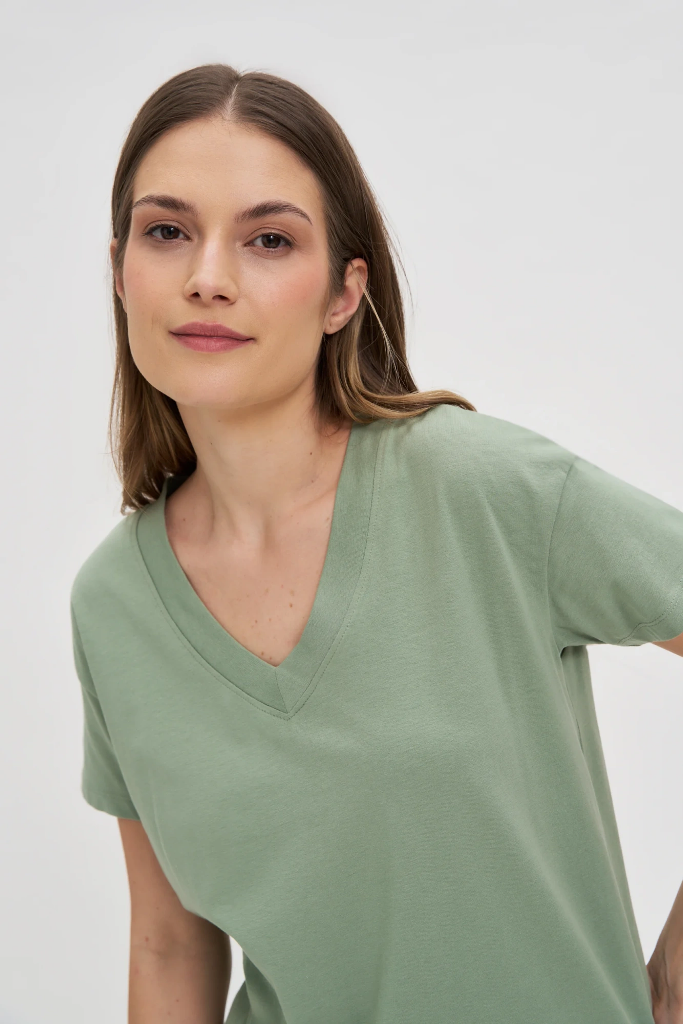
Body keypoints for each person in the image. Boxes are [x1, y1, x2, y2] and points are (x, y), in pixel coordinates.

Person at [70, 63, 683, 1024]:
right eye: (167, 232)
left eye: (269, 240)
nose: (207, 278)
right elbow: (169, 943)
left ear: (342, 294)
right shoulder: (112, 605)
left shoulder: (483, 490)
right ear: (119, 272)